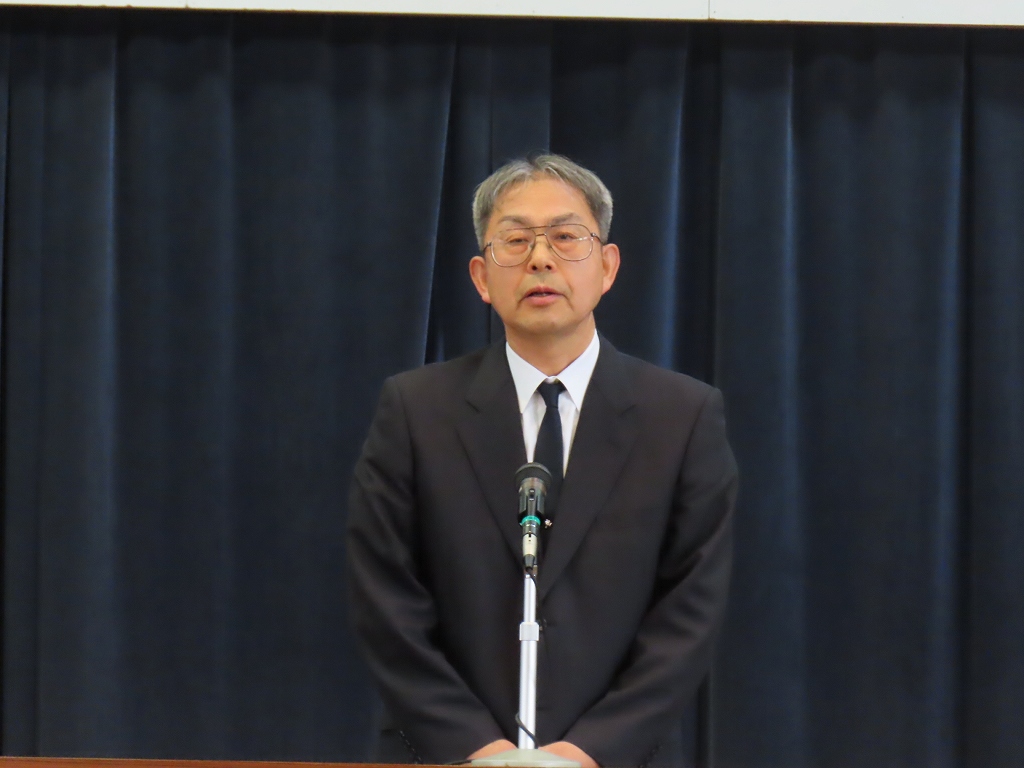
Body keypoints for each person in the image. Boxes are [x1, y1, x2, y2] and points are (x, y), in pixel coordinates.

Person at [347, 155, 738, 768]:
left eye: (565, 237)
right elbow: (385, 599)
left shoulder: (681, 417)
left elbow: (690, 613)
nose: (540, 259)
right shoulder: (416, 410)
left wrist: (583, 753)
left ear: (607, 267)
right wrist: (480, 751)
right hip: (446, 757)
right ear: (481, 277)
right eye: (515, 240)